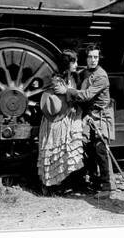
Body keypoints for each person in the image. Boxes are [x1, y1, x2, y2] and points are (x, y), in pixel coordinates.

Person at [55, 44, 115, 198]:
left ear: (99, 58)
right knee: (88, 149)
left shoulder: (101, 76)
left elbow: (87, 95)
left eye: (95, 57)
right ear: (86, 58)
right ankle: (94, 183)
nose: (93, 60)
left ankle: (107, 187)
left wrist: (67, 91)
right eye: (90, 57)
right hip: (90, 116)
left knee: (101, 150)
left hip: (101, 117)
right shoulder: (85, 72)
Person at [37, 50, 84, 192]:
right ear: (66, 64)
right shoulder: (57, 80)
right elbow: (66, 98)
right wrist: (72, 93)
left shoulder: (72, 78)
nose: (76, 64)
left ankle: (65, 182)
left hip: (69, 117)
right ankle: (52, 185)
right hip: (58, 120)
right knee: (55, 151)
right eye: (73, 62)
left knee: (67, 151)